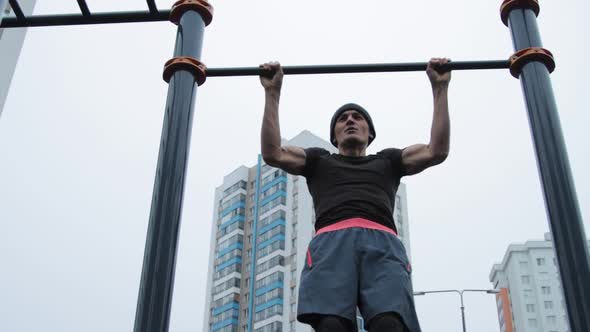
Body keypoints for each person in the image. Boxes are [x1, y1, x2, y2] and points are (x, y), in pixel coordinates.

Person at [259, 58, 451, 332]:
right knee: (332, 325)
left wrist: (440, 88)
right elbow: (273, 153)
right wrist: (272, 93)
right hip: (331, 245)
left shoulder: (388, 161)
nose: (350, 120)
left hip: (382, 246)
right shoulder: (319, 160)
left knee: (390, 324)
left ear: (370, 133)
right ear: (334, 136)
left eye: (357, 117)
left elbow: (436, 151)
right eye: (342, 119)